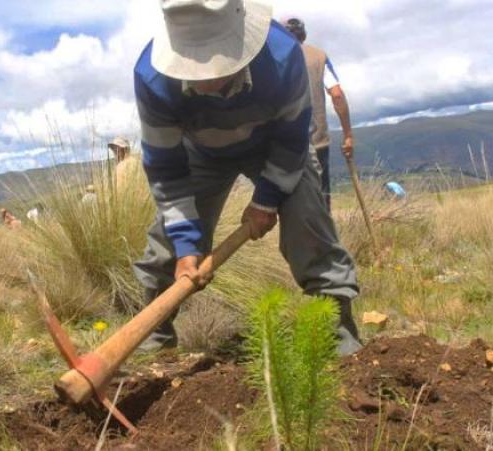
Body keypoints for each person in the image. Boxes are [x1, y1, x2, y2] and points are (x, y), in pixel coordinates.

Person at [133, 0, 361, 355]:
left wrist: (266, 200)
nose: (206, 78)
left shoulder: (283, 56)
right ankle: (150, 344)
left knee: (309, 222)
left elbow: (292, 137)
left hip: (275, 145)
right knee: (166, 246)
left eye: (215, 64)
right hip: (201, 153)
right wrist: (186, 245)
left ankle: (339, 337)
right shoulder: (153, 78)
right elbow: (166, 169)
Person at [284, 18, 354, 211]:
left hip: (284, 143)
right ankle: (324, 238)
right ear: (303, 35)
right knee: (322, 200)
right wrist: (347, 134)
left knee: (290, 202)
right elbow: (337, 94)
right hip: (317, 140)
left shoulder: (274, 56)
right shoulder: (318, 56)